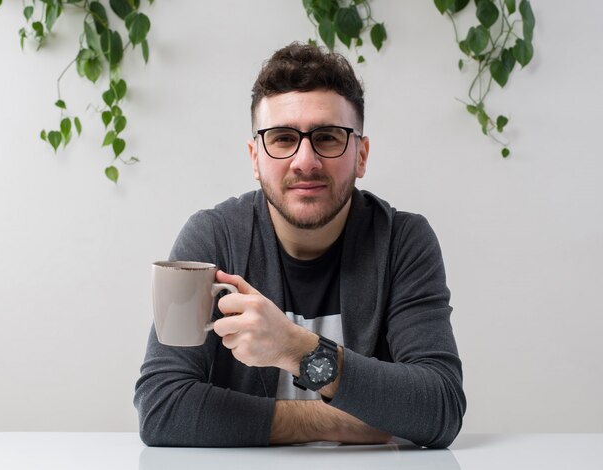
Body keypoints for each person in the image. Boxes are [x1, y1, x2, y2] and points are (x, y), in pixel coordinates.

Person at [134, 42, 466, 448]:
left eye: (327, 137)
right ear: (255, 157)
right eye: (282, 138)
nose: (305, 161)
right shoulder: (214, 237)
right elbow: (162, 409)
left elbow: (440, 407)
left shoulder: (403, 241)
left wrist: (295, 348)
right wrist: (335, 421)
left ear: (361, 155)